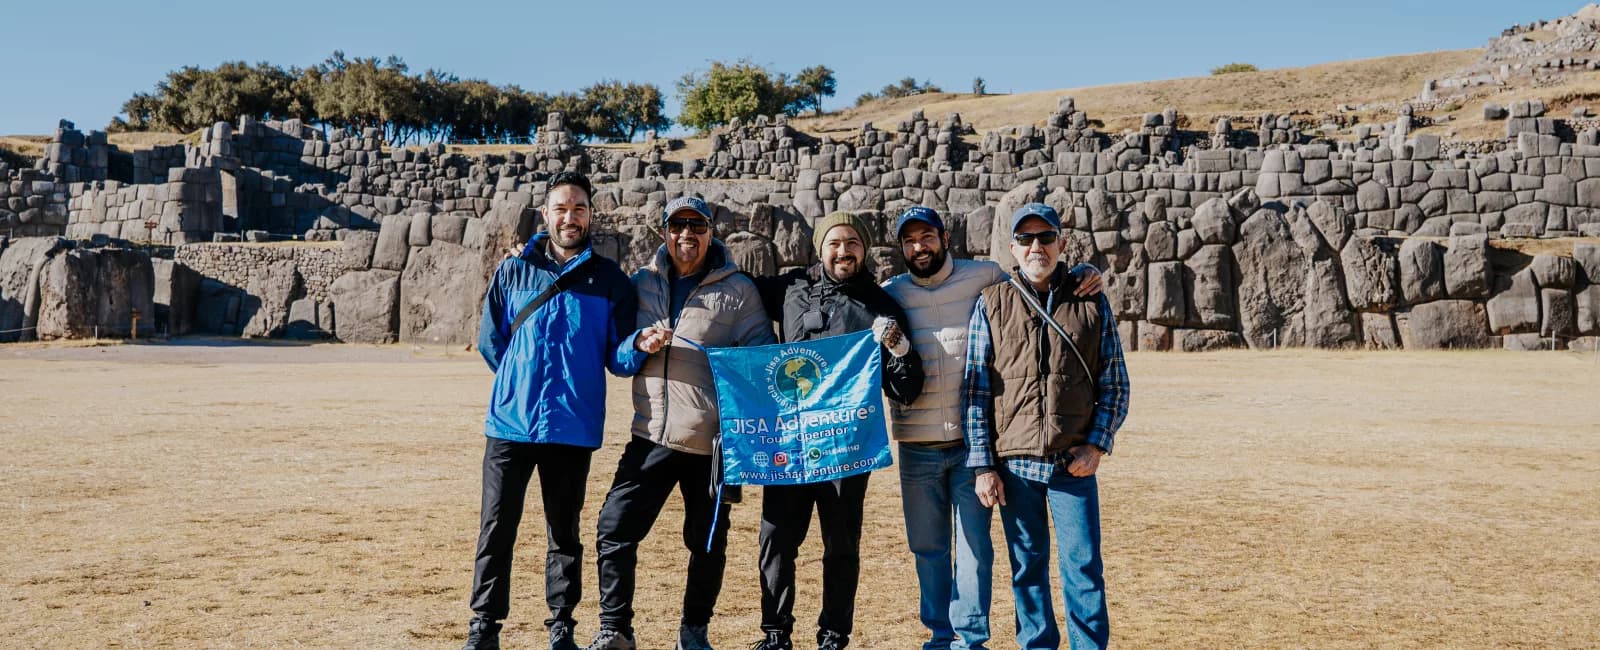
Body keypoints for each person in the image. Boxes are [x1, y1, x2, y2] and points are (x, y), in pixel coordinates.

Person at [881, 206, 1100, 650]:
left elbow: (1039, 275)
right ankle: (941, 637)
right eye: (909, 240)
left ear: (945, 236)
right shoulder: (891, 293)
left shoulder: (986, 278)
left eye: (927, 236)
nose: (919, 246)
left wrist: (1086, 271)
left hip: (971, 447)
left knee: (978, 551)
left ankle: (969, 639)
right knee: (930, 549)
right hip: (921, 444)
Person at [584, 196, 777, 650]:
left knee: (707, 543)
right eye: (677, 226)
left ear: (711, 231)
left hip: (710, 444)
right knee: (614, 528)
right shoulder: (642, 284)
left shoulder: (738, 291)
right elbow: (618, 355)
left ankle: (694, 632)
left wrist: (728, 361)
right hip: (650, 433)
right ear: (664, 231)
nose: (686, 235)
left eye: (697, 225)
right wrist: (639, 342)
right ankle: (616, 629)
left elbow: (761, 358)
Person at [466, 171, 641, 650]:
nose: (570, 217)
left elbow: (617, 357)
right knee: (496, 527)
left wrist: (640, 345)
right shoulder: (514, 270)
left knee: (564, 532)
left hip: (571, 426)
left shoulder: (609, 281)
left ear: (590, 215)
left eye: (579, 208)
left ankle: (561, 625)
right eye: (561, 208)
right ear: (546, 214)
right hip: (511, 425)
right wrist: (518, 386)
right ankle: (484, 626)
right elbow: (491, 341)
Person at [748, 211, 925, 650]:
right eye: (834, 243)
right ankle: (776, 633)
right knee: (776, 540)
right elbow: (733, 290)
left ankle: (833, 634)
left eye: (852, 243)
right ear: (819, 247)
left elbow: (906, 388)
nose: (843, 251)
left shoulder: (880, 305)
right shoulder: (789, 289)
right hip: (789, 441)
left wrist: (899, 346)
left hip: (846, 448)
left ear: (864, 249)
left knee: (842, 544)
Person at [963, 203, 1129, 650]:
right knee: (1027, 569)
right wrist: (982, 465)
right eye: (1026, 239)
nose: (1037, 247)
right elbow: (976, 392)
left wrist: (1097, 446)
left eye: (1046, 237)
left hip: (1071, 464)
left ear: (1062, 243)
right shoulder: (991, 304)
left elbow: (1115, 382)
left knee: (1084, 569)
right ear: (1012, 247)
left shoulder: (1090, 300)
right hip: (1015, 468)